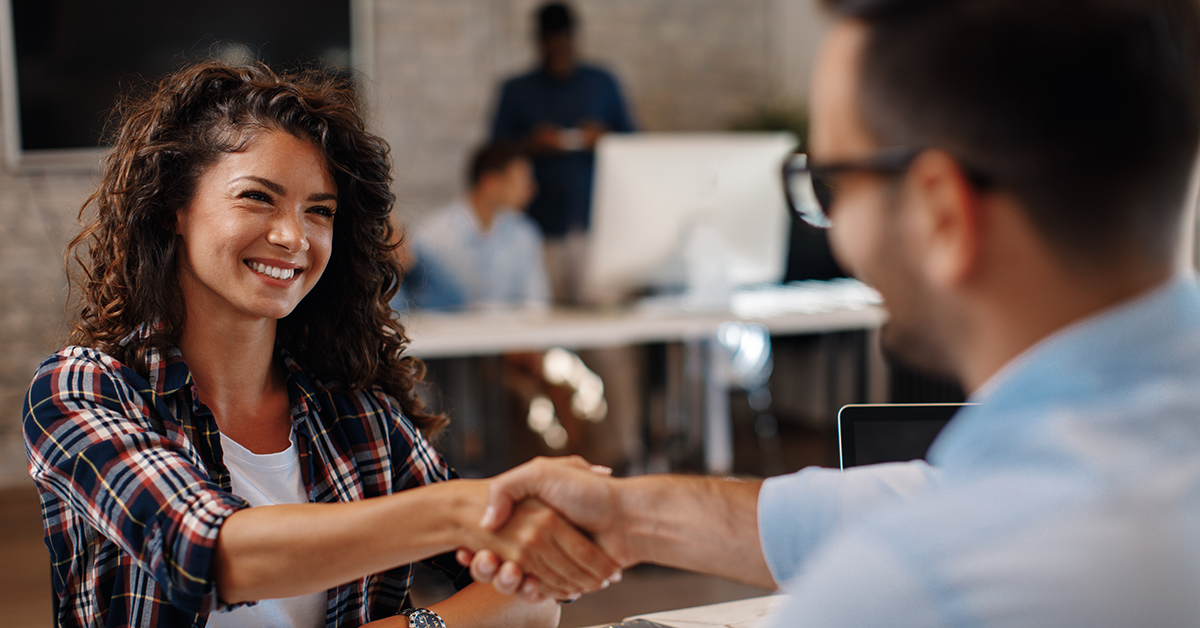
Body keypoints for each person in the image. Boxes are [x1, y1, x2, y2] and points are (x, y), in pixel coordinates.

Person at [462, 0, 1200, 625]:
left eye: (831, 181)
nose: (834, 228)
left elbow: (928, 530)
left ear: (941, 212)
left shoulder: (910, 589)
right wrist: (626, 516)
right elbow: (918, 496)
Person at [21, 61, 621, 628]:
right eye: (258, 196)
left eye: (320, 211)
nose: (293, 236)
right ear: (175, 207)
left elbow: (536, 592)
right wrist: (468, 510)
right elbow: (204, 554)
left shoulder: (358, 416)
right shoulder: (84, 390)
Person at [489, 1, 635, 304]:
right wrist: (531, 144)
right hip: (539, 229)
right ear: (539, 42)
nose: (558, 52)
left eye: (563, 44)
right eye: (550, 45)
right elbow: (493, 153)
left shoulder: (602, 82)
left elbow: (635, 143)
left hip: (596, 225)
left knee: (606, 334)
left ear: (574, 39)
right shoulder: (517, 90)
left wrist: (605, 139)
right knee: (545, 324)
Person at [401, 143, 549, 312]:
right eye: (522, 181)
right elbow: (421, 307)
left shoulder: (525, 233)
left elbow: (535, 304)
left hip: (511, 336)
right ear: (490, 183)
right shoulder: (431, 236)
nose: (531, 190)